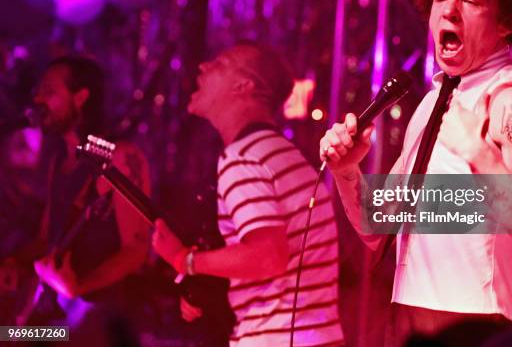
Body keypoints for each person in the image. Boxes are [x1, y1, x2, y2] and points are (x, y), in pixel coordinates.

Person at [319, 0, 512, 346]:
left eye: (470, 0)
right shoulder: (436, 100)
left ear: (505, 23)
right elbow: (376, 225)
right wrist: (347, 171)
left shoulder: (511, 98)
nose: (449, 9)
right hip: (412, 319)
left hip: (476, 327)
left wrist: (479, 152)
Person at [152, 42, 344, 346]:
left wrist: (183, 260)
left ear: (243, 86)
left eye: (220, 63)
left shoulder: (243, 157)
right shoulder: (286, 157)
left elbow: (269, 256)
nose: (203, 67)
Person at [14, 56, 150, 328]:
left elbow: (136, 250)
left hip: (100, 324)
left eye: (49, 91)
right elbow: (47, 242)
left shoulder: (117, 155)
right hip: (59, 326)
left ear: (81, 97)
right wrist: (13, 264)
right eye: (38, 91)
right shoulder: (60, 159)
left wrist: (78, 287)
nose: (38, 100)